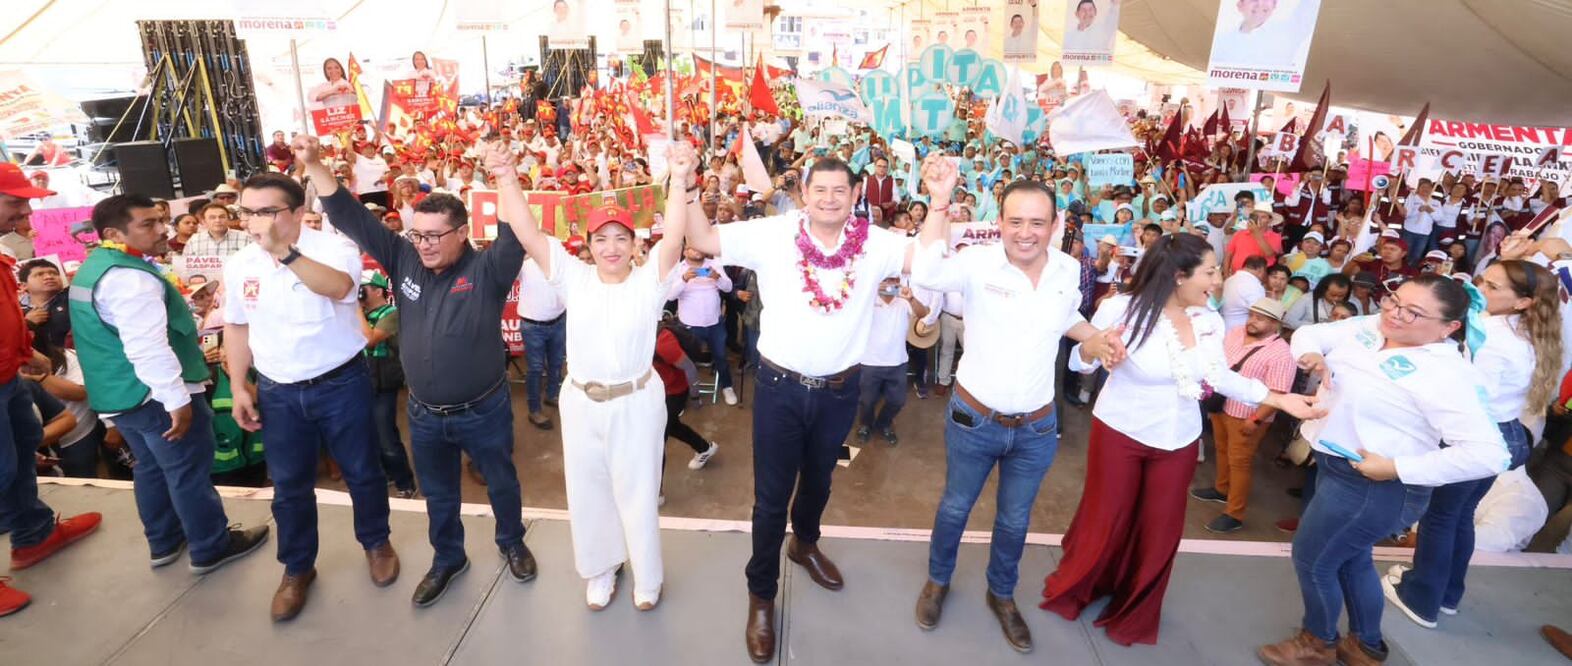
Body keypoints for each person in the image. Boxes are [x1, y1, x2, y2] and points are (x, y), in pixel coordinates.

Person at [682, 156, 915, 664]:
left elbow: (930, 258)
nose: (830, 198)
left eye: (841, 191)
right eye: (821, 189)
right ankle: (761, 594)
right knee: (769, 499)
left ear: (856, 197)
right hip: (779, 389)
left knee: (822, 481)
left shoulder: (875, 243)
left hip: (840, 391)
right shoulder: (773, 233)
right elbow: (704, 239)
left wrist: (938, 201)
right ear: (803, 193)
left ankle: (804, 544)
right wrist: (684, 183)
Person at [1041, 233, 1320, 646]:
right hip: (1121, 431)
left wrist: (1280, 400)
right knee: (1108, 516)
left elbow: (1219, 377)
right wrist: (1097, 349)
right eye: (1210, 271)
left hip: (1180, 440)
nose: (1218, 280)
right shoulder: (1121, 308)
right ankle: (1081, 586)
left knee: (1161, 528)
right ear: (1177, 276)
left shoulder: (1211, 319)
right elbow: (1081, 364)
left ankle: (1134, 609)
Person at [294, 136, 536, 610]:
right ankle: (449, 557)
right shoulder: (404, 258)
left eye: (433, 236)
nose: (422, 244)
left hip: (483, 410)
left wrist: (505, 176)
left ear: (462, 233)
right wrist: (314, 163)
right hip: (425, 416)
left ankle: (511, 541)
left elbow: (516, 234)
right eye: (417, 235)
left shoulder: (488, 270)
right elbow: (349, 215)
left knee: (502, 481)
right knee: (439, 494)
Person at [911, 171, 1124, 653]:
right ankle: (938, 581)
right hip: (974, 417)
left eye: (1037, 222)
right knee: (955, 507)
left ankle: (1001, 594)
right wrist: (940, 202)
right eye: (1015, 221)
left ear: (1055, 224)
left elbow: (1065, 316)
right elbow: (924, 274)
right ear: (1000, 222)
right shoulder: (976, 263)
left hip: (1036, 425)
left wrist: (1091, 337)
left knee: (1014, 520)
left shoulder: (1068, 270)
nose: (1025, 232)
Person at [1259, 275, 1511, 666]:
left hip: (1375, 486)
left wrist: (1398, 467)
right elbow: (1310, 333)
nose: (1395, 314)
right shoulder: (1371, 326)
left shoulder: (1447, 374)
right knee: (1351, 558)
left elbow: (1489, 454)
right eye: (1394, 300)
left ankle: (1318, 642)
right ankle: (1366, 645)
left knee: (1314, 560)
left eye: (1414, 312)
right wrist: (1313, 356)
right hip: (1336, 467)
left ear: (1449, 327)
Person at [499, 140, 695, 611]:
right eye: (601, 239)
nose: (611, 247)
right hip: (582, 401)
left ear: (634, 245)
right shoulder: (574, 279)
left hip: (636, 401)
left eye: (621, 238)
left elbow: (674, 240)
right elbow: (527, 232)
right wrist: (506, 175)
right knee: (588, 490)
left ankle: (647, 576)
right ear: (587, 246)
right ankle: (601, 569)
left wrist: (680, 178)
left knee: (638, 489)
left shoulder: (651, 282)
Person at [221, 172, 398, 622]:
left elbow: (339, 289)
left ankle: (376, 542)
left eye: (266, 211)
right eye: (248, 211)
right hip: (279, 391)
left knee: (362, 471)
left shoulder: (332, 248)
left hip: (341, 382)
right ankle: (297, 568)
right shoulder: (241, 263)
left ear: (298, 212)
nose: (254, 221)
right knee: (290, 485)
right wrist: (239, 384)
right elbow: (238, 326)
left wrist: (283, 251)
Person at [70, 193, 271, 573]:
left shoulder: (96, 266)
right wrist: (175, 399)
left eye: (160, 220)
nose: (162, 229)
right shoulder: (129, 278)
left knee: (151, 466)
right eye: (148, 224)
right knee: (187, 469)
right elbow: (147, 347)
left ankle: (164, 541)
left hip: (119, 394)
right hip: (154, 395)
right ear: (113, 232)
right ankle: (211, 545)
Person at [1382, 261, 1561, 629]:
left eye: (1494, 287)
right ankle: (1447, 593)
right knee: (1459, 516)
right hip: (1508, 433)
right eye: (1483, 280)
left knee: (1440, 517)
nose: (1480, 290)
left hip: (1478, 433)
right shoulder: (1532, 333)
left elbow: (1473, 395)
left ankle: (1421, 598)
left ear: (1524, 302)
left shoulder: (1491, 335)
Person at [0, 163, 102, 618]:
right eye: (14, 202)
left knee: (21, 456)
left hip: (9, 377)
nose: (25, 210)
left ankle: (34, 535)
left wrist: (26, 351)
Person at [1190, 298, 1295, 532]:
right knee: (1222, 450)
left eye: (1261, 318)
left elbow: (1278, 393)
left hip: (1248, 415)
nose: (1253, 321)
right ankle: (1221, 489)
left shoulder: (1281, 354)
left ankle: (1234, 513)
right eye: (1252, 315)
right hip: (1221, 405)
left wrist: (1256, 419)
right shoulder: (1236, 332)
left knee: (1240, 463)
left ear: (1276, 324)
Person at [359, 271, 416, 499]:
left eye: (363, 288)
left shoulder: (391, 313)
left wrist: (354, 308)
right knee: (370, 435)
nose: (359, 293)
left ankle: (405, 482)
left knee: (386, 436)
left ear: (378, 290)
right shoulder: (361, 314)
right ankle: (387, 474)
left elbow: (369, 339)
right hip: (363, 380)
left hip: (383, 383)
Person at [855, 277, 927, 446]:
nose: (889, 285)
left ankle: (884, 423)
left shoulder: (904, 301)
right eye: (885, 280)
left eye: (893, 281)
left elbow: (923, 314)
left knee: (897, 400)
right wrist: (871, 288)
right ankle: (865, 425)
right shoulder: (868, 299)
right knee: (867, 400)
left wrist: (911, 298)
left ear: (899, 282)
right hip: (870, 362)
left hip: (897, 362)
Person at [668, 246, 739, 405]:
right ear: (685, 252)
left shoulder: (715, 264)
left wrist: (717, 277)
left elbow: (728, 287)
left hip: (715, 323)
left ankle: (727, 386)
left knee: (721, 357)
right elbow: (670, 296)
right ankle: (686, 390)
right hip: (690, 326)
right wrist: (684, 279)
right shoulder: (678, 269)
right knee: (688, 361)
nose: (697, 251)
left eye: (699, 248)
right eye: (692, 249)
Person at [653, 320, 718, 478]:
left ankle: (657, 492)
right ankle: (704, 448)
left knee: (656, 440)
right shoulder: (635, 338)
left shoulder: (663, 342)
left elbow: (690, 368)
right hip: (657, 390)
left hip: (674, 392)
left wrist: (695, 397)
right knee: (672, 426)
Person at [519, 255, 567, 430]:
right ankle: (534, 410)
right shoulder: (524, 264)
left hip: (558, 321)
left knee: (556, 363)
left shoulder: (560, 262)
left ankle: (551, 395)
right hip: (533, 326)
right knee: (536, 368)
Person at [18, 259, 70, 350]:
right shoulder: (13, 311)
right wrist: (26, 324)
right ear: (23, 286)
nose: (49, 277)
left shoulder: (73, 299)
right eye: (39, 274)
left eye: (54, 273)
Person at [1284, 273, 1352, 332]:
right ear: (1323, 289)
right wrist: (1316, 326)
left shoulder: (1352, 303)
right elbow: (1288, 321)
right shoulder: (1308, 298)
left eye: (1341, 296)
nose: (1336, 298)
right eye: (1332, 295)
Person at [183, 203, 252, 260]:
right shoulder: (194, 241)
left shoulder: (246, 238)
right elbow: (186, 265)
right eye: (212, 217)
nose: (217, 220)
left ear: (228, 219)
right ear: (204, 221)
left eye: (222, 217)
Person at [1221, 255, 1268, 330]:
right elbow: (1260, 313)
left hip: (1224, 325)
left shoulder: (1229, 280)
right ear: (1261, 270)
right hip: (1240, 329)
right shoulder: (1254, 285)